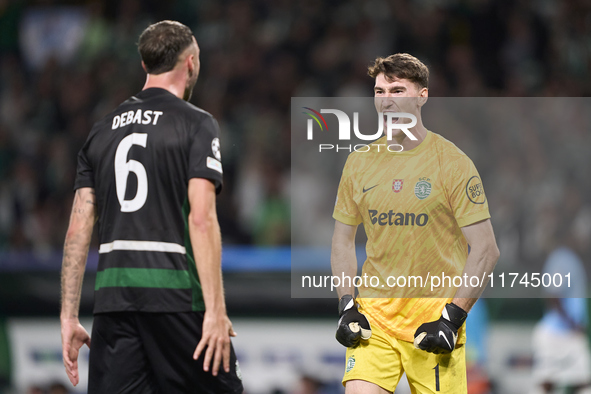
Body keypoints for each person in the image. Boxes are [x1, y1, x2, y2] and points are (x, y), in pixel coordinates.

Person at [60, 20, 243, 393]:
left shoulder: (102, 129)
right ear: (190, 63)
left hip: (114, 301)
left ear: (145, 65)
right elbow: (202, 219)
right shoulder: (196, 124)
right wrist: (216, 311)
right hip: (174, 295)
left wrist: (68, 316)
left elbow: (78, 229)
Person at [331, 53, 500, 393]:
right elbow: (342, 241)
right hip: (374, 321)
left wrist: (452, 319)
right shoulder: (359, 163)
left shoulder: (452, 164)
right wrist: (347, 304)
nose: (386, 101)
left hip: (433, 321)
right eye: (379, 92)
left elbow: (486, 249)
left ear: (422, 95)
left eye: (397, 91)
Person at [531, 213, 591, 394]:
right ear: (569, 236)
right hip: (558, 332)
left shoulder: (570, 259)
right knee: (549, 383)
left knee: (577, 382)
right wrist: (571, 323)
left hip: (565, 332)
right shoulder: (562, 258)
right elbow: (552, 295)